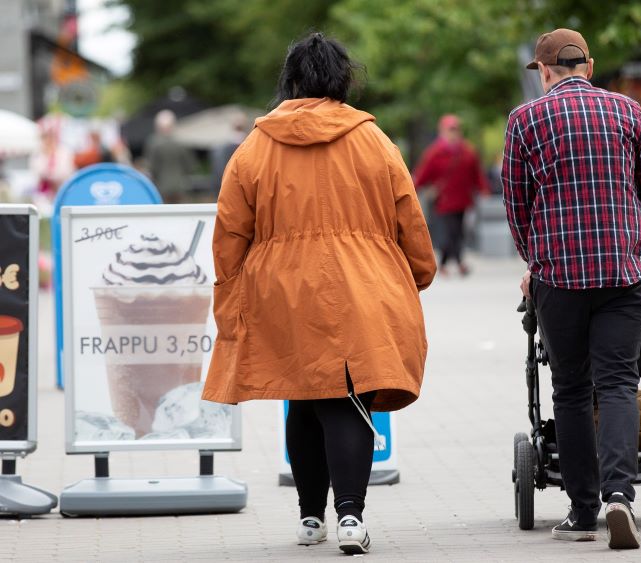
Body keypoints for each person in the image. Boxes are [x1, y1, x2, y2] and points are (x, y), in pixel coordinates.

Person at [201, 32, 436, 554]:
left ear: (290, 81)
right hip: (362, 285)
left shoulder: (254, 148)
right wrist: (418, 273)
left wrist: (232, 298)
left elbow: (229, 234)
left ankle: (311, 518)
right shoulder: (373, 141)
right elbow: (409, 216)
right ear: (342, 80)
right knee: (347, 398)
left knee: (303, 400)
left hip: (281, 291)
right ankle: (350, 517)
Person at [502, 28, 641, 550]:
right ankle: (620, 494)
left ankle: (582, 513)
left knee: (571, 388)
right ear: (590, 66)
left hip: (558, 278)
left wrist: (534, 260)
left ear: (544, 71)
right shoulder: (628, 112)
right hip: (624, 275)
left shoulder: (524, 120)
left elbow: (517, 207)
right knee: (619, 382)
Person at [412, 114, 488, 276]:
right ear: (442, 131)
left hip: (462, 200)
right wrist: (411, 189)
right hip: (443, 201)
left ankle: (448, 263)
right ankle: (456, 263)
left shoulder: (467, 152)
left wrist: (483, 189)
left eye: (455, 129)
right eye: (450, 130)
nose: (453, 133)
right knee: (447, 233)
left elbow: (477, 174)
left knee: (458, 232)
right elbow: (423, 174)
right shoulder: (435, 153)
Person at [143, 109, 196, 203]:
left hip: (161, 188)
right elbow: (190, 166)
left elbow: (152, 167)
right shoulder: (182, 142)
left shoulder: (153, 143)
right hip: (181, 187)